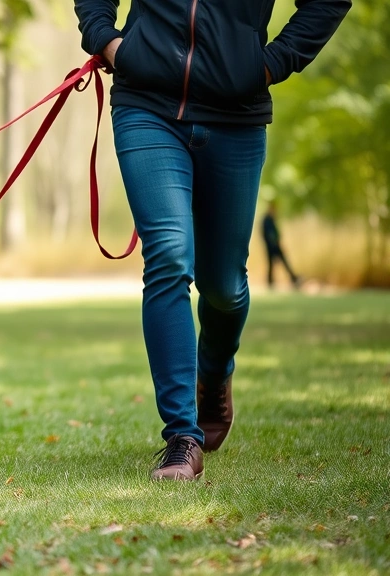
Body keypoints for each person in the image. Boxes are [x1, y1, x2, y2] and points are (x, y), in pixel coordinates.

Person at [74, 0, 350, 480]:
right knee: (169, 255)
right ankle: (183, 437)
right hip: (147, 106)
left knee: (224, 285)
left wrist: (270, 62)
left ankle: (215, 371)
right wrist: (108, 40)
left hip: (236, 117)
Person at [262, 201, 300, 288]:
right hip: (272, 246)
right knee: (276, 263)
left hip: (274, 245)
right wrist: (274, 243)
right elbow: (267, 234)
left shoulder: (271, 219)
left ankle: (291, 278)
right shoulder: (267, 220)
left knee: (278, 262)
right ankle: (272, 281)